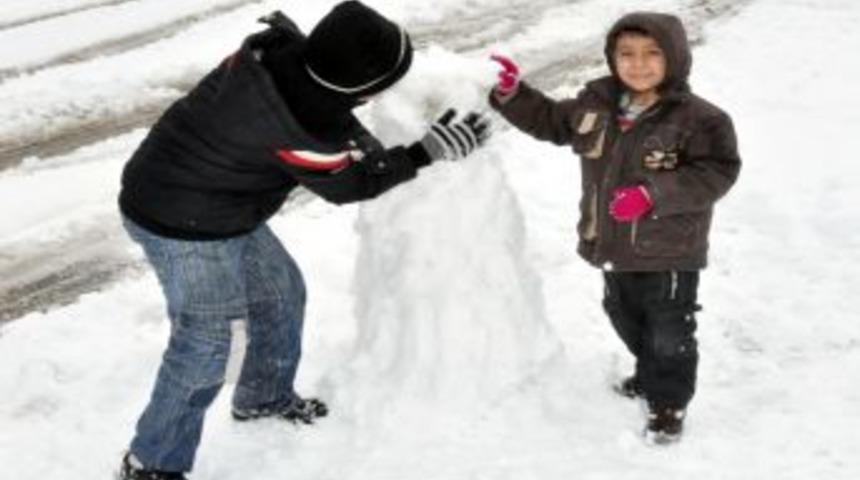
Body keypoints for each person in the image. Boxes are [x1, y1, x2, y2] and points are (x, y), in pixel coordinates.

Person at [117, 2, 490, 478]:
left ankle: (263, 397)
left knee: (280, 294)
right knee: (208, 342)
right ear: (362, 86)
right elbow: (352, 184)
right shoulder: (296, 125)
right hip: (178, 217)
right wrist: (422, 153)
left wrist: (377, 147)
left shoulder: (291, 59)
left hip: (215, 198)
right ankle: (151, 463)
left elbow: (336, 121)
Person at [488, 12, 740, 443]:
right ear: (611, 57)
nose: (637, 64)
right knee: (623, 313)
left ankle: (667, 403)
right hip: (613, 244)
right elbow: (551, 120)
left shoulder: (700, 119)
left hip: (670, 249)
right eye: (626, 54)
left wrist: (653, 195)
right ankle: (648, 371)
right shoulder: (597, 105)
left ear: (675, 59)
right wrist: (512, 94)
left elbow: (717, 172)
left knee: (669, 328)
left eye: (651, 54)